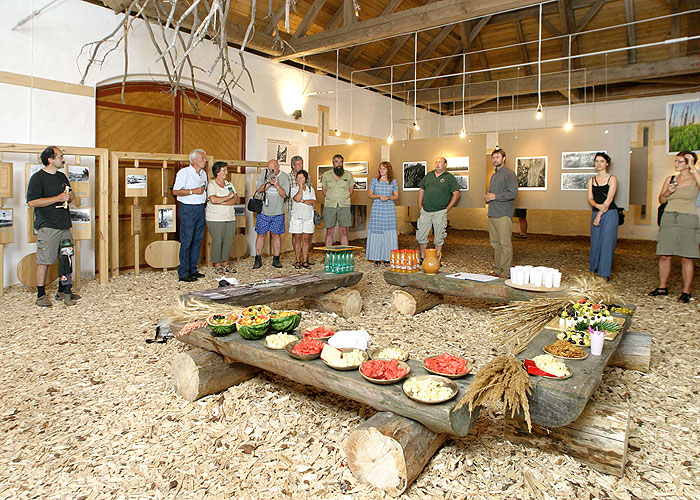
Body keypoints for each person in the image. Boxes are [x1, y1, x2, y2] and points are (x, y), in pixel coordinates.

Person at [26, 146, 77, 307]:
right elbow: (31, 202)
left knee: (66, 258)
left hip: (64, 226)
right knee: (44, 260)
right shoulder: (37, 178)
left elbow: (66, 199)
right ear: (50, 159)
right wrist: (57, 198)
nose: (63, 159)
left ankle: (63, 290)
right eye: (60, 156)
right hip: (48, 226)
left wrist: (70, 197)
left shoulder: (62, 177)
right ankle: (40, 295)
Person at [649, 151, 700, 303]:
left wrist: (692, 167)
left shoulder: (695, 178)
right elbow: (662, 200)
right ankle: (662, 287)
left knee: (686, 256)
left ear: (688, 163)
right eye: (675, 161)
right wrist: (667, 192)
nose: (676, 164)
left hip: (688, 217)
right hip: (669, 217)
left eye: (680, 162)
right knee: (664, 255)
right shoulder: (670, 179)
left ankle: (686, 290)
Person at [172, 149, 208, 282]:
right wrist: (194, 191)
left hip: (200, 208)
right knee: (187, 241)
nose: (204, 160)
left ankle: (193, 269)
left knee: (197, 240)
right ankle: (184, 272)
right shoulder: (184, 172)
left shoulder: (203, 174)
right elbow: (176, 191)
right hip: (188, 209)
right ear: (194, 160)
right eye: (202, 158)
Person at [417, 157, 460, 262]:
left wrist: (447, 208)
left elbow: (456, 194)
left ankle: (437, 258)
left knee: (439, 235)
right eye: (436, 162)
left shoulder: (449, 178)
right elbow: (421, 190)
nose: (437, 164)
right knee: (421, 234)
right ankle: (422, 256)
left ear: (445, 164)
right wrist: (420, 205)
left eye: (440, 162)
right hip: (426, 210)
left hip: (440, 211)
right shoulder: (428, 176)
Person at [484, 148, 518, 278]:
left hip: (503, 214)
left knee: (505, 244)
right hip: (492, 213)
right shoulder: (494, 175)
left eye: (497, 157)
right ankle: (497, 269)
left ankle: (505, 272)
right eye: (493, 158)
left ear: (503, 159)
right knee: (495, 244)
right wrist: (489, 198)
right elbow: (494, 195)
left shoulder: (509, 174)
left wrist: (494, 196)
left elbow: (513, 193)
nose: (494, 160)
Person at [586, 153, 619, 281]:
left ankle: (604, 273)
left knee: (607, 242)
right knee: (595, 241)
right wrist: (596, 206)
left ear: (607, 163)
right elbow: (590, 198)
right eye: (596, 161)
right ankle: (594, 269)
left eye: (601, 161)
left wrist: (599, 214)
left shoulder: (612, 179)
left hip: (609, 213)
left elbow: (609, 199)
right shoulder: (592, 180)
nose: (598, 163)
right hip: (596, 211)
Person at [253, 159, 290, 269]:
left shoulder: (284, 177)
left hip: (278, 212)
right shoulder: (263, 174)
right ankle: (258, 258)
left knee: (276, 235)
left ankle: (276, 259)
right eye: (269, 169)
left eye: (272, 169)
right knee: (261, 235)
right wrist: (267, 184)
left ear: (278, 168)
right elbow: (258, 190)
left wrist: (277, 185)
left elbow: (284, 195)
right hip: (264, 211)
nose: (270, 171)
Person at [206, 161, 239, 274]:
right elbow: (213, 200)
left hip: (230, 217)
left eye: (226, 169)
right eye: (224, 170)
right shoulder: (212, 185)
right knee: (217, 240)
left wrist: (223, 201)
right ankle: (217, 263)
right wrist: (227, 197)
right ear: (217, 172)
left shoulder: (229, 184)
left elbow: (235, 199)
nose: (226, 172)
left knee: (228, 240)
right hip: (215, 218)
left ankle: (225, 262)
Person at [367, 161, 399, 266]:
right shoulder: (374, 181)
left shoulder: (393, 182)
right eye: (380, 168)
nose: (382, 170)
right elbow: (370, 195)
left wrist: (388, 197)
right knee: (377, 231)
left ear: (388, 170)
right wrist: (379, 196)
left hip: (389, 209)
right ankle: (376, 258)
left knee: (389, 231)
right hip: (377, 208)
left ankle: (388, 258)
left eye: (384, 168)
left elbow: (396, 196)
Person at [287, 155, 314, 266]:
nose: (301, 165)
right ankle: (297, 258)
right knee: (296, 236)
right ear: (293, 165)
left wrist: (306, 202)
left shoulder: (309, 180)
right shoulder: (288, 177)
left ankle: (305, 258)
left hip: (307, 212)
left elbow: (312, 198)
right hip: (292, 210)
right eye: (298, 163)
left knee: (307, 237)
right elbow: (294, 197)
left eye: (302, 163)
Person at [322, 154, 354, 246]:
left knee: (344, 231)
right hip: (330, 206)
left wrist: (343, 198)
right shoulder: (326, 175)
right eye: (336, 162)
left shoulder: (348, 175)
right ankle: (329, 255)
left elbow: (351, 191)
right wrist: (332, 198)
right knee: (329, 231)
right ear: (333, 163)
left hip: (344, 206)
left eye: (341, 162)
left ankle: (344, 256)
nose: (339, 164)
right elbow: (324, 191)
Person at [57, 238, 76, 306]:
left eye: (71, 247)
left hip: (67, 273)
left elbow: (69, 266)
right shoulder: (63, 258)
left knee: (63, 285)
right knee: (68, 286)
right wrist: (62, 275)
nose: (71, 248)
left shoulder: (68, 257)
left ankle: (60, 294)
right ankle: (67, 299)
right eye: (69, 247)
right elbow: (60, 268)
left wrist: (70, 273)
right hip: (64, 274)